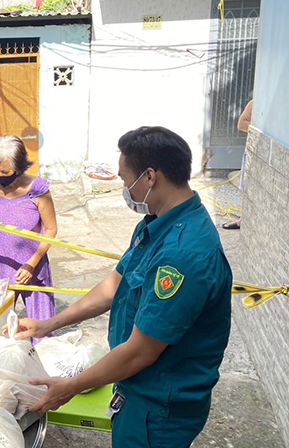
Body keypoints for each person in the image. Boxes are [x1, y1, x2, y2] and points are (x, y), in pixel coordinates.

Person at [12, 126, 233, 447]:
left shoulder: (183, 254)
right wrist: (49, 323)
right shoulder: (157, 224)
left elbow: (140, 352)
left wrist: (69, 386)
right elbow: (115, 285)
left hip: (157, 411)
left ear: (150, 177)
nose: (125, 188)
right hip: (136, 391)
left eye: (125, 180)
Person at [0, 135, 58, 344]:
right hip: (0, 268)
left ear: (19, 167)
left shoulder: (38, 190)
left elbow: (51, 229)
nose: (0, 176)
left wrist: (31, 264)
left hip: (34, 270)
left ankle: (42, 373)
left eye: (6, 173)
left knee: (42, 333)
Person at [223, 99, 253, 230]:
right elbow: (241, 124)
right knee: (245, 188)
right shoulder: (254, 103)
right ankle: (242, 220)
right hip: (251, 152)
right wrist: (257, 124)